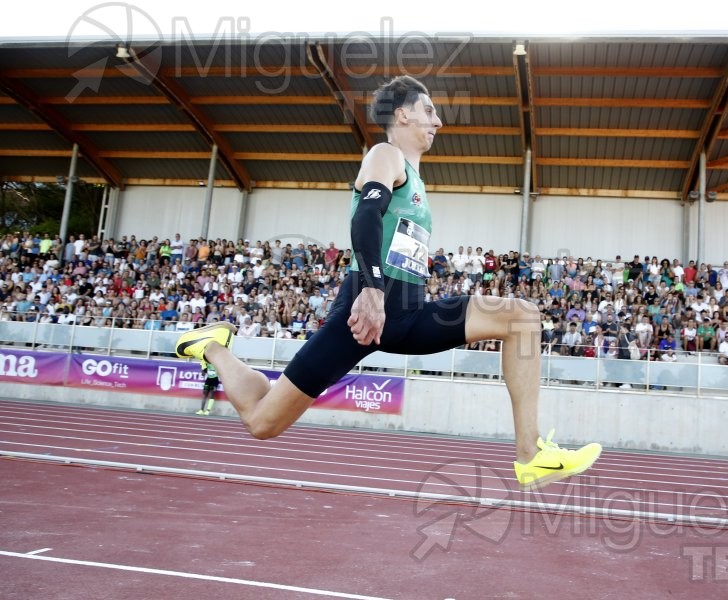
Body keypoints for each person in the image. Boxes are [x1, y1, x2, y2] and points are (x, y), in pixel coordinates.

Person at [175, 75, 601, 491]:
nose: (439, 123)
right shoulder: (385, 154)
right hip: (365, 314)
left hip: (410, 313)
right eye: (430, 111)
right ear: (402, 114)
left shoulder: (416, 180)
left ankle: (530, 455)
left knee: (523, 317)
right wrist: (373, 290)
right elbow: (365, 216)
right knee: (263, 422)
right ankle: (214, 346)